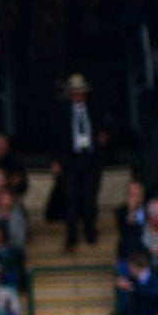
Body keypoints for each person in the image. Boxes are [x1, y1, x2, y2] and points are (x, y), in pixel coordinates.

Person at [50, 72, 104, 252]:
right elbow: (54, 138)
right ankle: (71, 237)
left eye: (81, 91)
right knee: (70, 199)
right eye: (75, 91)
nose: (78, 95)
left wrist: (103, 139)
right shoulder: (61, 112)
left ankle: (90, 232)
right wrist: (55, 160)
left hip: (90, 160)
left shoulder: (96, 109)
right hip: (70, 161)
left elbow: (105, 129)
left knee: (89, 198)